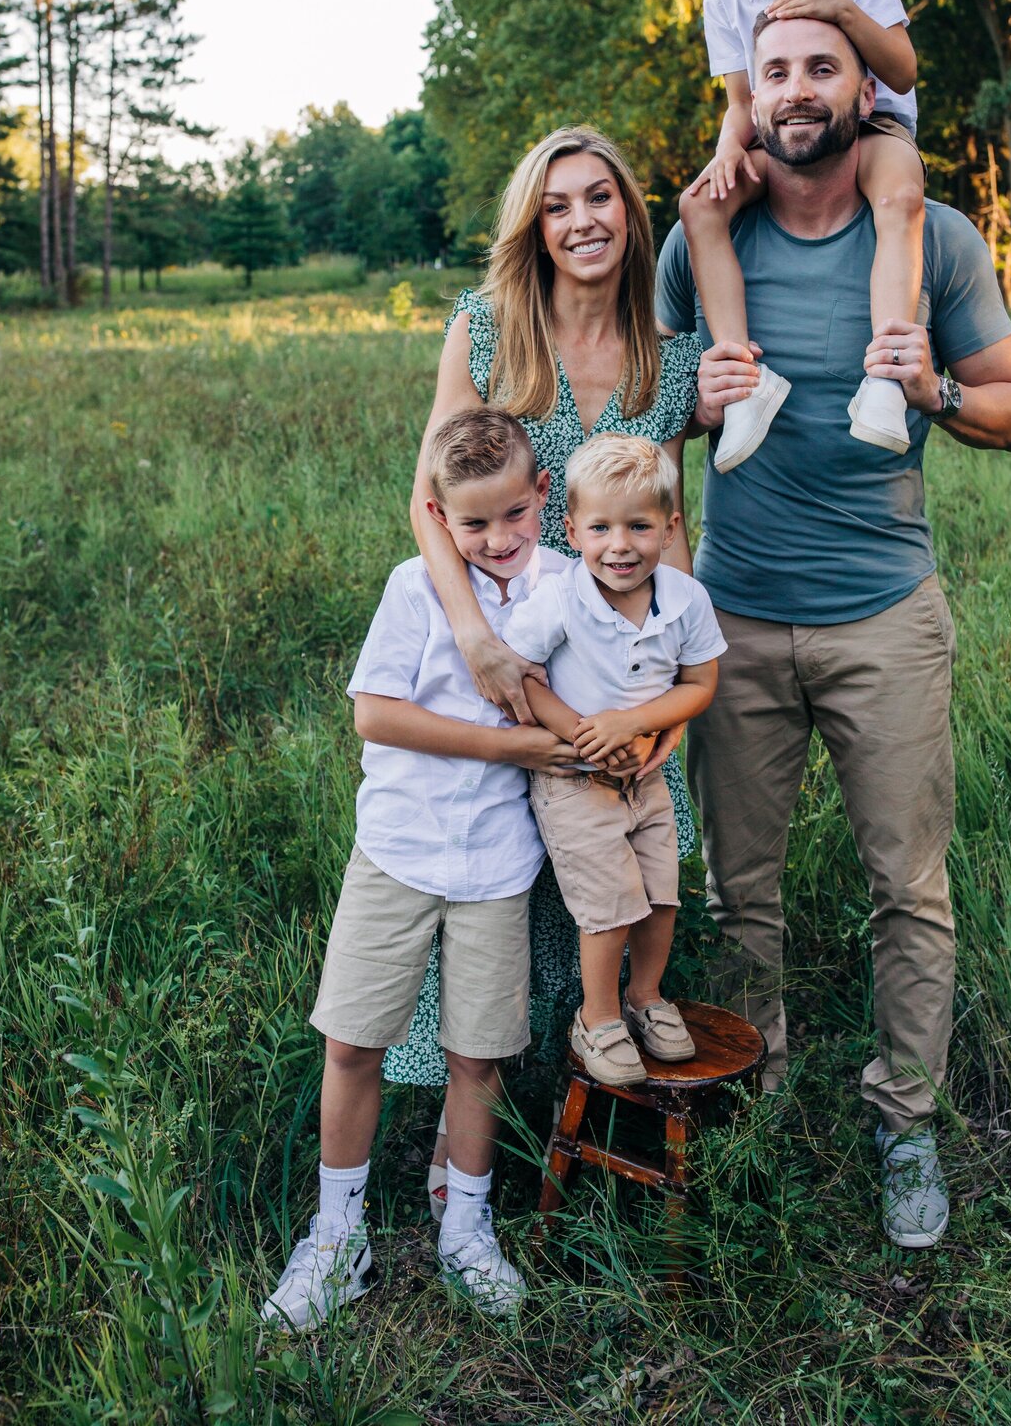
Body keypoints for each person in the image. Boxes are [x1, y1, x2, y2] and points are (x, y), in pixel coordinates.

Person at [659, 10, 1011, 1249]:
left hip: (885, 617)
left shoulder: (934, 237)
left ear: (863, 89)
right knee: (738, 889)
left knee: (908, 887)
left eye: (822, 67)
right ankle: (753, 1091)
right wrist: (692, 401)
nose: (797, 89)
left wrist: (934, 388)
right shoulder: (702, 234)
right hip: (733, 618)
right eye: (774, 70)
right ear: (750, 93)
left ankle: (907, 1121)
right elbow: (640, 413)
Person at [396, 126, 703, 1216]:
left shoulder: (668, 354)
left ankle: (586, 1088)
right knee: (499, 879)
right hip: (513, 656)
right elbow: (430, 499)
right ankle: (462, 1132)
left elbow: (672, 528)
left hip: (625, 672)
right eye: (558, 205)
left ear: (630, 213)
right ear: (533, 227)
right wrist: (474, 638)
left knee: (624, 869)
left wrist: (666, 705)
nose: (582, 221)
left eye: (601, 198)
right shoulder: (487, 332)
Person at [262, 409, 577, 1328]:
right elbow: (376, 714)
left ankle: (466, 1230)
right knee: (353, 1041)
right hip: (398, 848)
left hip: (499, 864)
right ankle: (338, 1236)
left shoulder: (568, 588)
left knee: (478, 1055)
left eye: (514, 514)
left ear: (543, 495)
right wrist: (512, 744)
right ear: (439, 517)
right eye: (474, 523)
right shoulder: (416, 588)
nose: (499, 539)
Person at [682, 0, 926, 471]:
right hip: (782, 136)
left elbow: (902, 71)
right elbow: (742, 103)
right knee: (700, 204)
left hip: (871, 127)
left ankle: (884, 378)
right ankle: (744, 384)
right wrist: (727, 152)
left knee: (900, 195)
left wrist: (843, 11)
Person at [503, 435, 727, 1086]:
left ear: (670, 528)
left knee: (660, 893)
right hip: (575, 781)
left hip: (647, 776)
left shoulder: (685, 599)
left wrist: (633, 723)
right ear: (572, 530)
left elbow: (700, 683)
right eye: (600, 528)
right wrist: (584, 735)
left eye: (639, 527)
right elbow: (522, 679)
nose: (620, 546)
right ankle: (596, 1018)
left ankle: (645, 997)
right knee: (609, 903)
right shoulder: (559, 599)